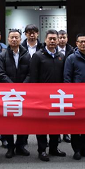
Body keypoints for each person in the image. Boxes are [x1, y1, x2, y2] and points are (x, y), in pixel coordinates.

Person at [29, 29, 67, 161]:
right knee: (42, 125)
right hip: (42, 97)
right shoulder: (38, 56)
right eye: (50, 39)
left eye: (54, 39)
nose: (52, 41)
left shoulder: (61, 56)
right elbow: (33, 78)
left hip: (57, 97)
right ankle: (42, 150)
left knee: (56, 124)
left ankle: (54, 148)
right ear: (45, 40)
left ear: (58, 41)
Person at [0, 29, 31, 158]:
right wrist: (13, 87)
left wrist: (22, 87)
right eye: (12, 37)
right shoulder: (1, 56)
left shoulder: (27, 55)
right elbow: (0, 74)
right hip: (8, 94)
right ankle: (10, 147)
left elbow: (30, 73)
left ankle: (20, 146)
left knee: (24, 120)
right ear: (8, 39)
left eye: (17, 37)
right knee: (8, 121)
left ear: (20, 39)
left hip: (23, 93)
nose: (14, 40)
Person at [63, 32, 85, 160]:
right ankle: (76, 150)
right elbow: (67, 79)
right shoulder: (71, 58)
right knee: (75, 125)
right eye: (81, 42)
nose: (84, 44)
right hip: (76, 98)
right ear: (76, 44)